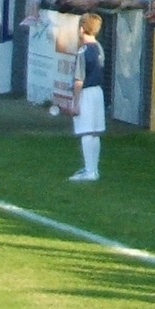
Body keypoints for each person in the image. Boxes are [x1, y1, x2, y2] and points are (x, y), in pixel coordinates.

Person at [67, 12, 106, 183]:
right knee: (94, 132)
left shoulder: (82, 51)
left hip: (87, 92)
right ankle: (93, 168)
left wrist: (75, 103)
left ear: (82, 29)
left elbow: (78, 80)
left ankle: (90, 171)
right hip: (98, 91)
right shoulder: (98, 47)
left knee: (86, 132)